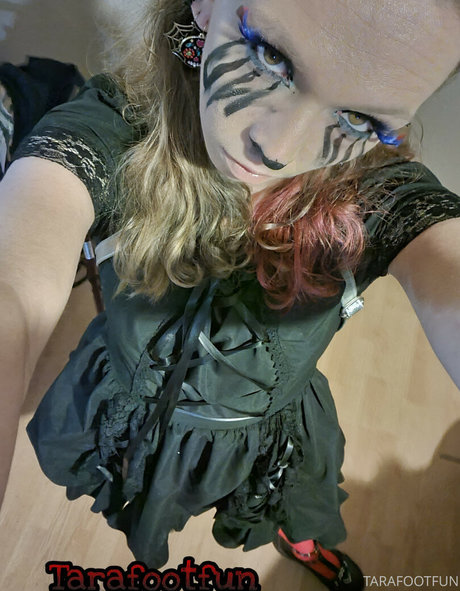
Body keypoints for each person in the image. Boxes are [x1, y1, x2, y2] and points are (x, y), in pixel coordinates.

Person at [1, 0, 459, 588]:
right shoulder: (114, 131)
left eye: (359, 119)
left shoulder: (380, 196)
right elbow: (15, 287)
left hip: (267, 433)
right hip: (132, 411)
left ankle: (300, 540)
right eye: (269, 56)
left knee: (288, 502)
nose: (278, 146)